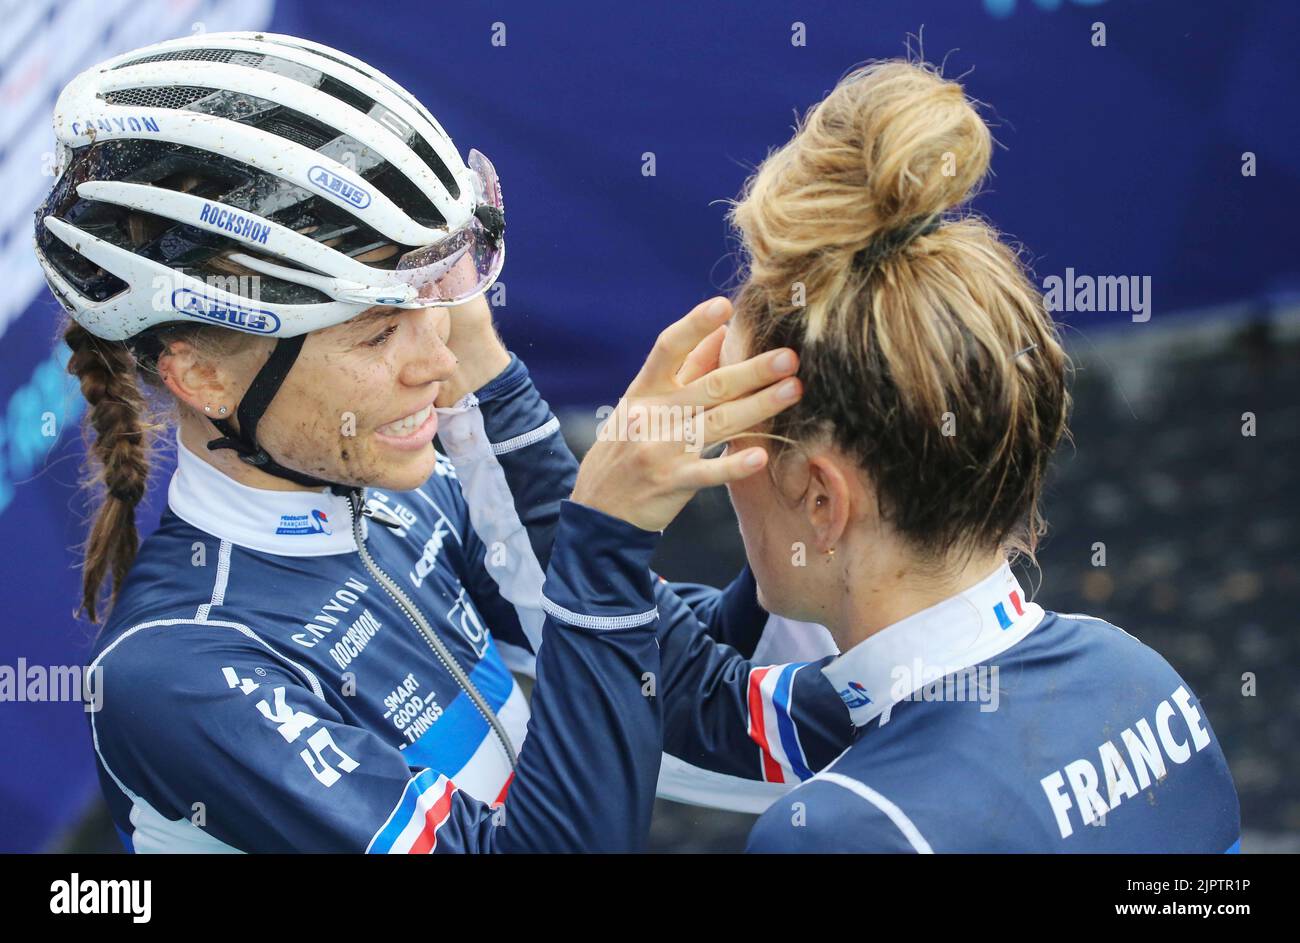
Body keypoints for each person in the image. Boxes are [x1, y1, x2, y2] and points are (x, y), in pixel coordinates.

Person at [37, 31, 854, 853]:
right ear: (202, 377)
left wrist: (819, 495)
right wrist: (607, 531)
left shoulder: (405, 496)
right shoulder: (179, 671)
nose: (438, 362)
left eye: (436, 303)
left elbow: (687, 694)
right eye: (378, 331)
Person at [676, 59, 1239, 853]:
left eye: (730, 442)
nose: (721, 476)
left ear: (823, 501)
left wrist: (608, 523)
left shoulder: (848, 830)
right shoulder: (1143, 682)